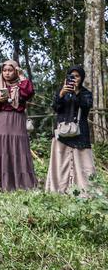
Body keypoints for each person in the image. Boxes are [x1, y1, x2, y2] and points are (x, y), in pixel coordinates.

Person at [0, 59, 36, 191]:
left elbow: (29, 92)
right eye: (4, 70)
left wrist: (21, 75)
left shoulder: (20, 86)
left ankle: (24, 184)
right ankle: (6, 184)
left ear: (15, 71)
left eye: (10, 70)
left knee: (19, 148)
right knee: (4, 149)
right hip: (2, 121)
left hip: (17, 120)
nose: (7, 73)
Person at [45, 65, 95, 194]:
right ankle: (59, 189)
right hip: (63, 131)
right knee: (60, 163)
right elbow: (55, 107)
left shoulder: (86, 93)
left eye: (77, 76)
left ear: (82, 78)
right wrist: (61, 94)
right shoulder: (62, 91)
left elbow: (86, 106)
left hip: (80, 133)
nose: (74, 79)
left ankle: (86, 189)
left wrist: (76, 93)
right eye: (71, 76)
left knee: (85, 164)